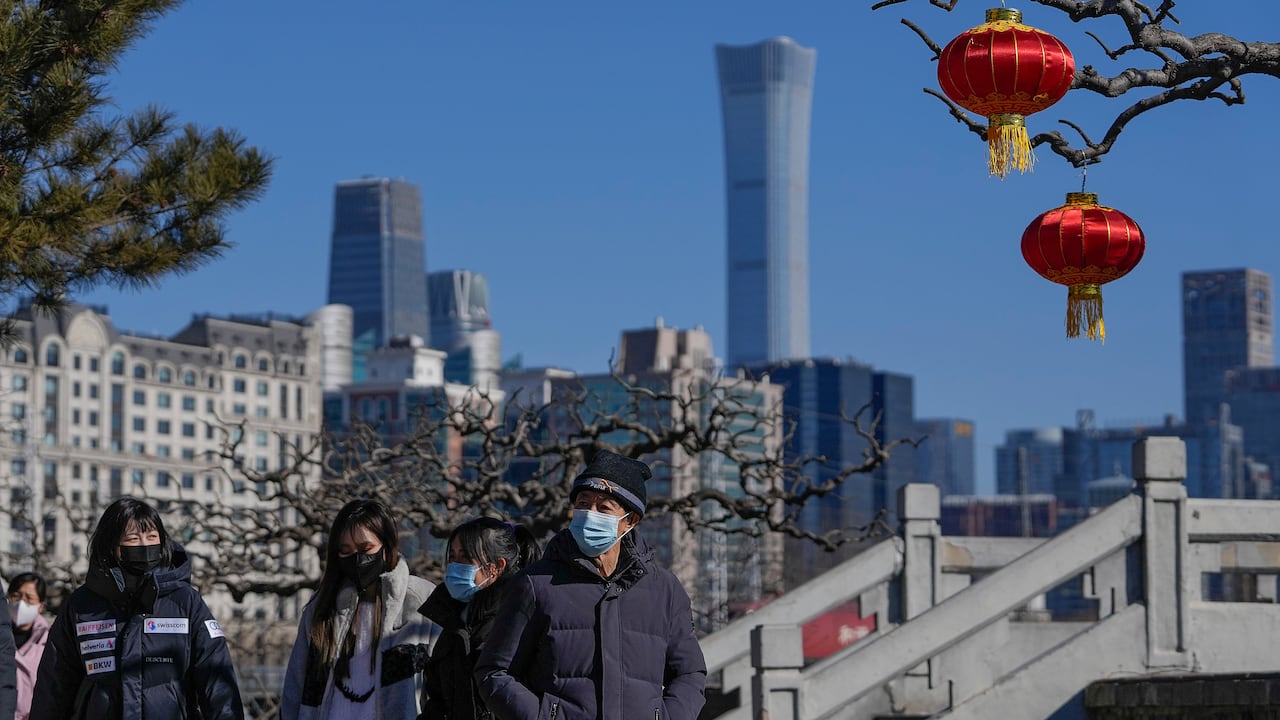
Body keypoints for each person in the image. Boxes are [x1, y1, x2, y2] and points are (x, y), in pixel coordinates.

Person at [475, 449, 707, 720]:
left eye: (604, 507)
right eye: (583, 503)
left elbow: (689, 673)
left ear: (629, 521)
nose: (589, 513)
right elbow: (494, 671)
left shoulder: (664, 590)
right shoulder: (535, 584)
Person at [31, 497, 244, 719]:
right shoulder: (82, 606)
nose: (144, 545)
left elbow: (219, 684)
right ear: (112, 546)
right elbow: (53, 686)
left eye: (152, 537)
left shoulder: (185, 602)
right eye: (133, 538)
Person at [282, 499, 439, 720]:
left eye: (366, 548)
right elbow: (294, 689)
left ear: (387, 545)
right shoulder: (321, 606)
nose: (357, 558)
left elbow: (443, 688)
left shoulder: (421, 601)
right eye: (345, 550)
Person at [419, 517, 540, 720]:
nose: (455, 565)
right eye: (452, 556)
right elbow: (438, 701)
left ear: (496, 567)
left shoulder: (520, 619)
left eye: (466, 558)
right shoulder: (454, 620)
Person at [8, 572, 49, 720]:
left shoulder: (49, 641)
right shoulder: (3, 635)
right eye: (16, 595)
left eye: (29, 598)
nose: (21, 602)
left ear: (41, 606)